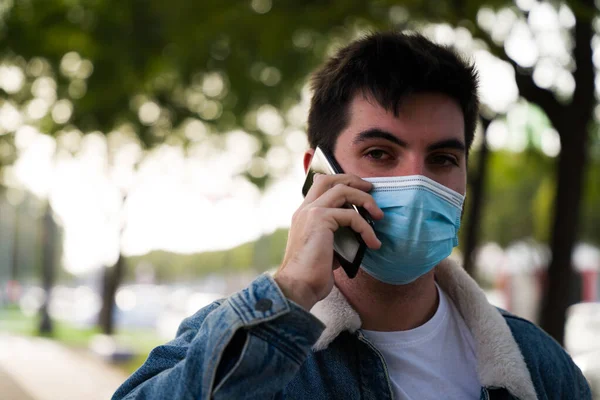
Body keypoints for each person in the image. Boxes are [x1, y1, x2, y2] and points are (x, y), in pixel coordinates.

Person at [112, 31, 591, 400]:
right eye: (381, 154)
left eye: (443, 159)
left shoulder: (538, 366)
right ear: (316, 174)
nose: (418, 182)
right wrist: (291, 293)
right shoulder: (233, 343)